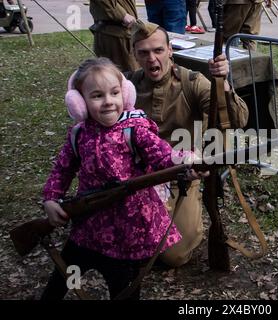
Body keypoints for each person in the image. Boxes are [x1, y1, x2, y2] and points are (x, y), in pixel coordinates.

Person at [40, 57, 205, 300]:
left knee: (123, 289)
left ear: (125, 94)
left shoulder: (134, 130)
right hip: (88, 227)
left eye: (114, 93)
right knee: (66, 276)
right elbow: (62, 169)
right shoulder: (78, 133)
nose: (108, 102)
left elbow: (164, 156)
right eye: (97, 96)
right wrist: (51, 199)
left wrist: (187, 162)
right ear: (79, 103)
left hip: (129, 234)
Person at [126, 21, 249, 267]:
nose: (152, 59)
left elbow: (239, 119)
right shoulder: (127, 87)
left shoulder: (192, 82)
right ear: (135, 55)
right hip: (137, 178)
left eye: (158, 50)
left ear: (170, 50)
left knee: (174, 256)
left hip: (179, 174)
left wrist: (222, 82)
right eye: (144, 52)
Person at [88, 0, 139, 72]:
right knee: (117, 75)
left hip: (123, 32)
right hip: (113, 33)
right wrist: (122, 14)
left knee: (131, 74)